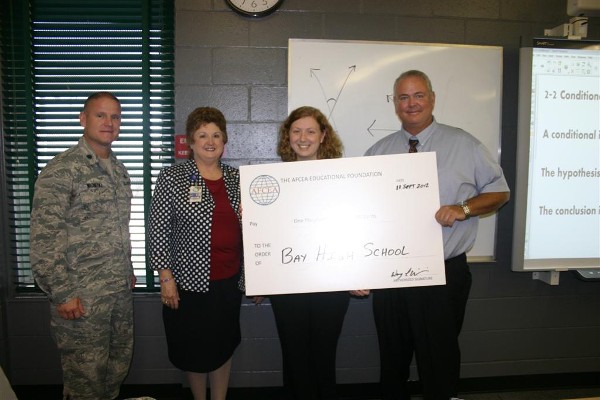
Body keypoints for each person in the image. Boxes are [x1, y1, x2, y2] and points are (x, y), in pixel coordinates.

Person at [356, 70, 510, 400]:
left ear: (432, 98)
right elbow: (361, 214)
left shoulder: (464, 144)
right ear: (395, 104)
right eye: (403, 97)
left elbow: (499, 192)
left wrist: (464, 208)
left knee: (438, 359)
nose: (411, 104)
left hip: (443, 273)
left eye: (418, 95)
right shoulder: (377, 153)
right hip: (391, 275)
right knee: (392, 359)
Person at [30, 92, 135, 400]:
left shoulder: (119, 170)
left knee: (116, 369)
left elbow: (119, 228)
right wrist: (62, 293)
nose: (109, 122)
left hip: (116, 292)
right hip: (80, 298)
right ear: (83, 119)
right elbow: (44, 238)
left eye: (115, 117)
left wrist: (127, 270)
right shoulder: (63, 170)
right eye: (100, 115)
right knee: (84, 380)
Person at [149, 107, 243, 400]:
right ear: (190, 141)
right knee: (192, 349)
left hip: (227, 282)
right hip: (187, 285)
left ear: (224, 140)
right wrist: (166, 277)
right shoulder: (172, 177)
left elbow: (253, 231)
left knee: (223, 345)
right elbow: (158, 230)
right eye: (202, 135)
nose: (210, 141)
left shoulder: (237, 178)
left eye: (216, 134)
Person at [270, 106, 350, 400]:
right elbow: (267, 235)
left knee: (323, 355)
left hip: (332, 283)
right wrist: (253, 218)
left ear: (323, 136)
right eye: (296, 131)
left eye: (310, 131)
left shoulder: (342, 178)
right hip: (287, 284)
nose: (303, 138)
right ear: (287, 136)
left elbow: (356, 226)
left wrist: (359, 273)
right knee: (293, 356)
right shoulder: (271, 181)